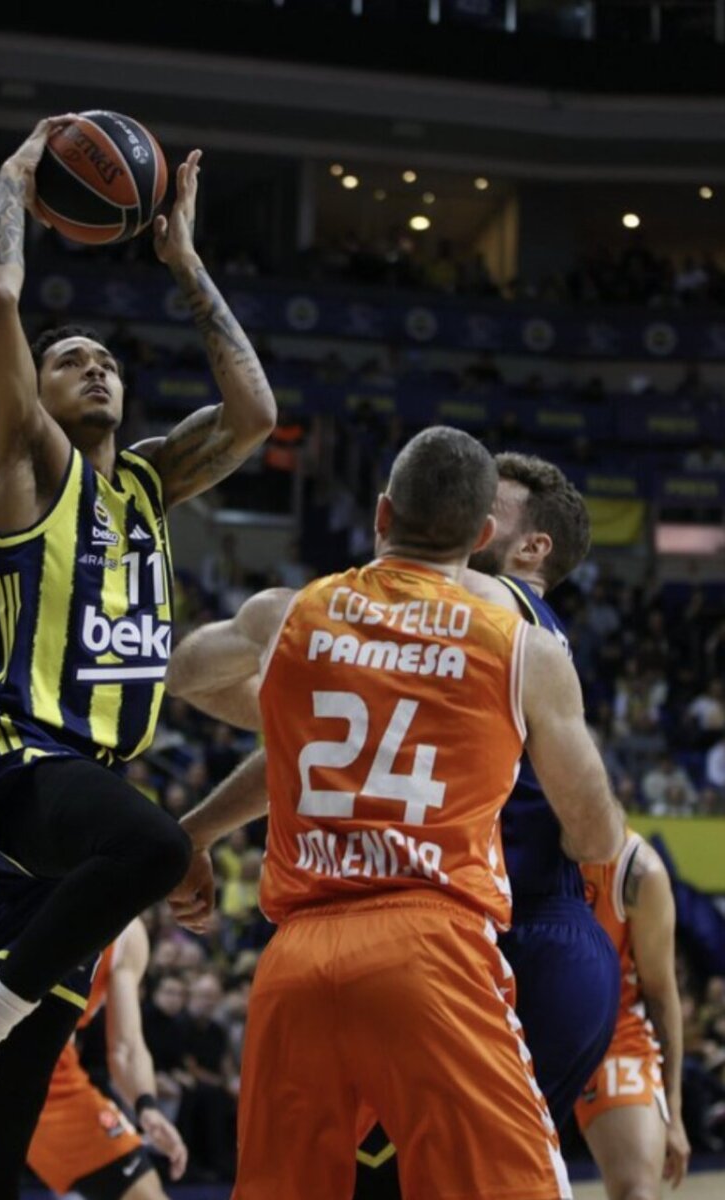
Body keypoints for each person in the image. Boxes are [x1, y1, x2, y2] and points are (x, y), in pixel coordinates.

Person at [0, 112, 276, 1180]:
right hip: (14, 762)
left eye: (107, 358)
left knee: (5, 1118)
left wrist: (185, 258)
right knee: (160, 849)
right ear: (41, 391)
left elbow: (254, 411)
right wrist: (19, 177)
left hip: (83, 794)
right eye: (71, 360)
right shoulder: (26, 464)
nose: (95, 366)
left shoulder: (151, 482)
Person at [164, 426, 625, 1198]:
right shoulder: (521, 646)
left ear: (380, 514)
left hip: (295, 959)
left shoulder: (293, 611)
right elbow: (596, 833)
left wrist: (309, 712)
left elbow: (182, 674)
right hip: (433, 942)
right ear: (482, 536)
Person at [0, 884, 186, 1200]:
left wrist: (146, 1105)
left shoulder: (127, 934)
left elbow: (126, 1046)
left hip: (53, 1075)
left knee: (144, 1195)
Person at [575, 833, 691, 1198]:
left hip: (611, 1030)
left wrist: (673, 1110)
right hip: (515, 1023)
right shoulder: (501, 840)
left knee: (637, 1192)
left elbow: (660, 990)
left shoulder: (637, 869)